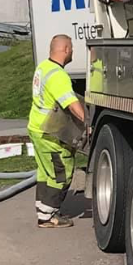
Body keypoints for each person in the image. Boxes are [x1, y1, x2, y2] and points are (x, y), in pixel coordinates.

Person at [26, 35, 87, 228]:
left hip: (36, 127)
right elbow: (71, 103)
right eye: (72, 49)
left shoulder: (43, 67)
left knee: (45, 172)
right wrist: (87, 123)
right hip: (49, 133)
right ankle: (47, 217)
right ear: (66, 49)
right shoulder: (58, 75)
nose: (73, 52)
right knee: (61, 172)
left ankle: (43, 210)